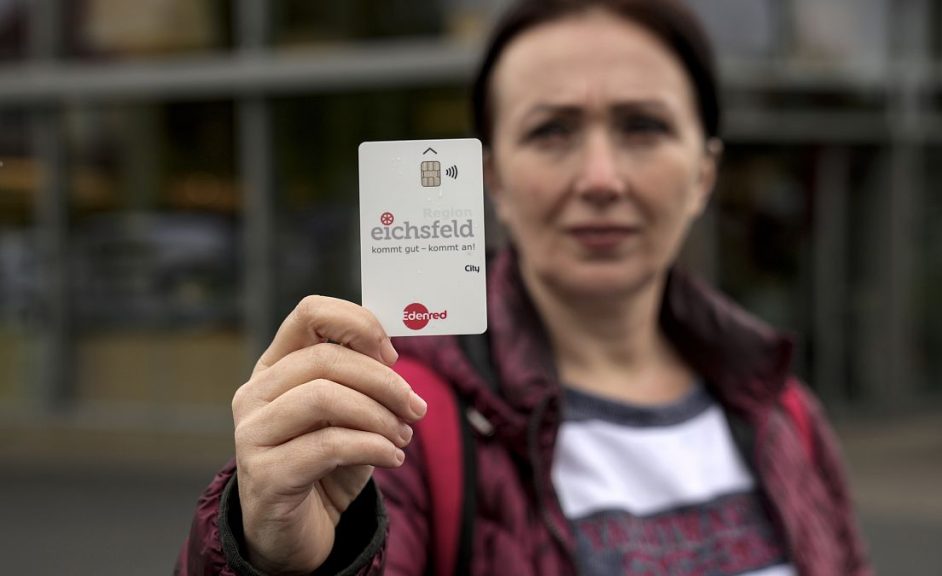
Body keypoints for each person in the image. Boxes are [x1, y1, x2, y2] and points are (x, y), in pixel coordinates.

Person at [178, 1, 872, 574]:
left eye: (644, 127)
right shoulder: (397, 419)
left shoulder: (784, 412)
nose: (600, 178)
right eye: (551, 131)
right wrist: (275, 558)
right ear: (494, 182)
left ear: (704, 174)